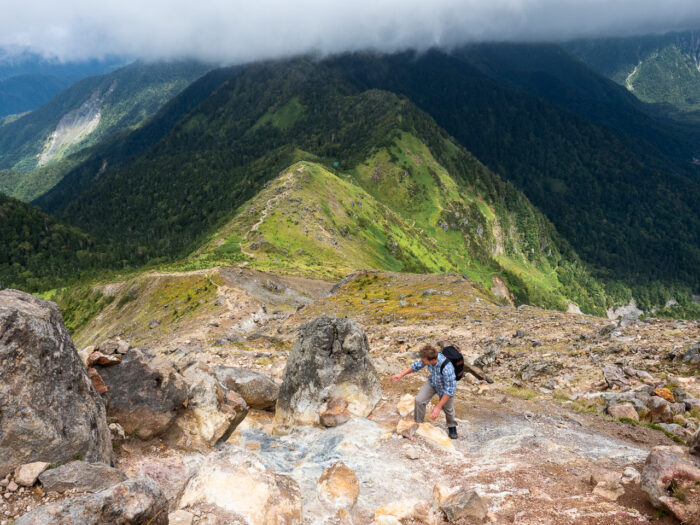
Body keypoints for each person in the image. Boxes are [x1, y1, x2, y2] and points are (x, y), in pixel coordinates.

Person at [390, 343, 458, 439]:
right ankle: (419, 424)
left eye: (424, 361)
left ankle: (452, 426)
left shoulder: (447, 368)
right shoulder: (427, 357)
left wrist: (438, 407)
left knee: (448, 408)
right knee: (419, 400)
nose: (422, 361)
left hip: (445, 388)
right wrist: (401, 375)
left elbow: (450, 390)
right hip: (433, 382)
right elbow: (415, 366)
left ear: (433, 360)